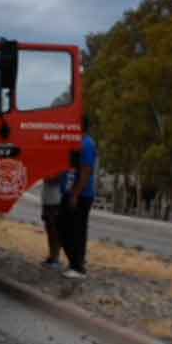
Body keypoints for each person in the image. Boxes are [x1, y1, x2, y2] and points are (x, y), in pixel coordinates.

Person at [57, 116, 98, 280]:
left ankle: (78, 267)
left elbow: (87, 171)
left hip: (81, 195)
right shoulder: (73, 141)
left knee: (77, 230)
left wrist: (75, 194)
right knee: (63, 226)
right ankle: (75, 261)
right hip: (69, 192)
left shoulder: (87, 143)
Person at [40, 176, 63, 268]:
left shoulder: (61, 167)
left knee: (55, 231)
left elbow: (59, 179)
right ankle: (51, 256)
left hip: (56, 200)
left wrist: (47, 176)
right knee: (49, 229)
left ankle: (55, 258)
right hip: (47, 199)